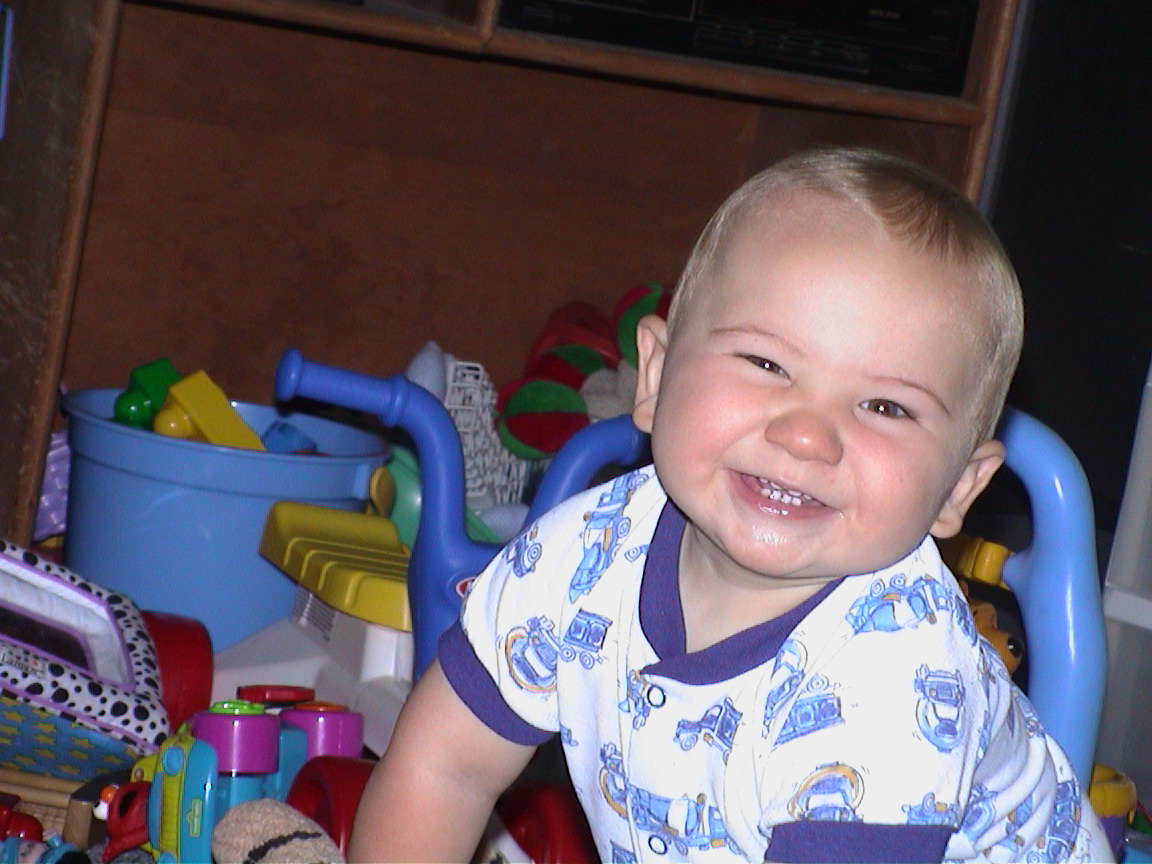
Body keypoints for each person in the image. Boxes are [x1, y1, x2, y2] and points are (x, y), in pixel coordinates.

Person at [348, 147, 1112, 863]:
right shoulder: (582, 554)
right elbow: (443, 764)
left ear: (956, 489)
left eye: (884, 407)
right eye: (766, 362)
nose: (808, 434)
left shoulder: (889, 686)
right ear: (654, 377)